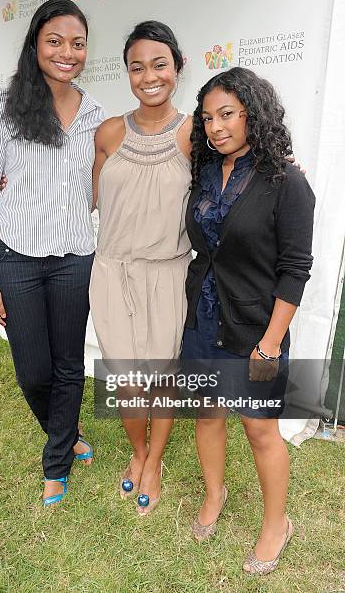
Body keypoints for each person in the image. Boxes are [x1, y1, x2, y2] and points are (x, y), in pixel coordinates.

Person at [0, 0, 106, 506]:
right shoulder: (4, 108)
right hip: (16, 259)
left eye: (77, 43)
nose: (67, 52)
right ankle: (66, 432)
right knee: (33, 371)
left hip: (74, 258)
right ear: (35, 44)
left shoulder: (95, 114)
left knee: (69, 364)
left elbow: (99, 189)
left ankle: (57, 461)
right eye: (55, 40)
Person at [182, 67, 315, 573]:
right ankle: (214, 497)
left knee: (261, 431)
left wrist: (271, 343)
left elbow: (294, 269)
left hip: (257, 331)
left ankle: (276, 524)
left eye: (228, 115)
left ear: (253, 114)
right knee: (208, 415)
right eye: (208, 118)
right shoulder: (202, 171)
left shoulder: (286, 180)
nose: (216, 127)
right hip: (202, 320)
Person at [90, 21, 193, 515]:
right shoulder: (108, 132)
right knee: (127, 379)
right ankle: (137, 452)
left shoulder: (197, 132)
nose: (148, 76)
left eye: (159, 64)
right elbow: (90, 198)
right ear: (127, 73)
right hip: (111, 272)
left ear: (177, 68)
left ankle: (154, 461)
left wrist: (286, 167)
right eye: (137, 67)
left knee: (161, 376)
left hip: (169, 273)